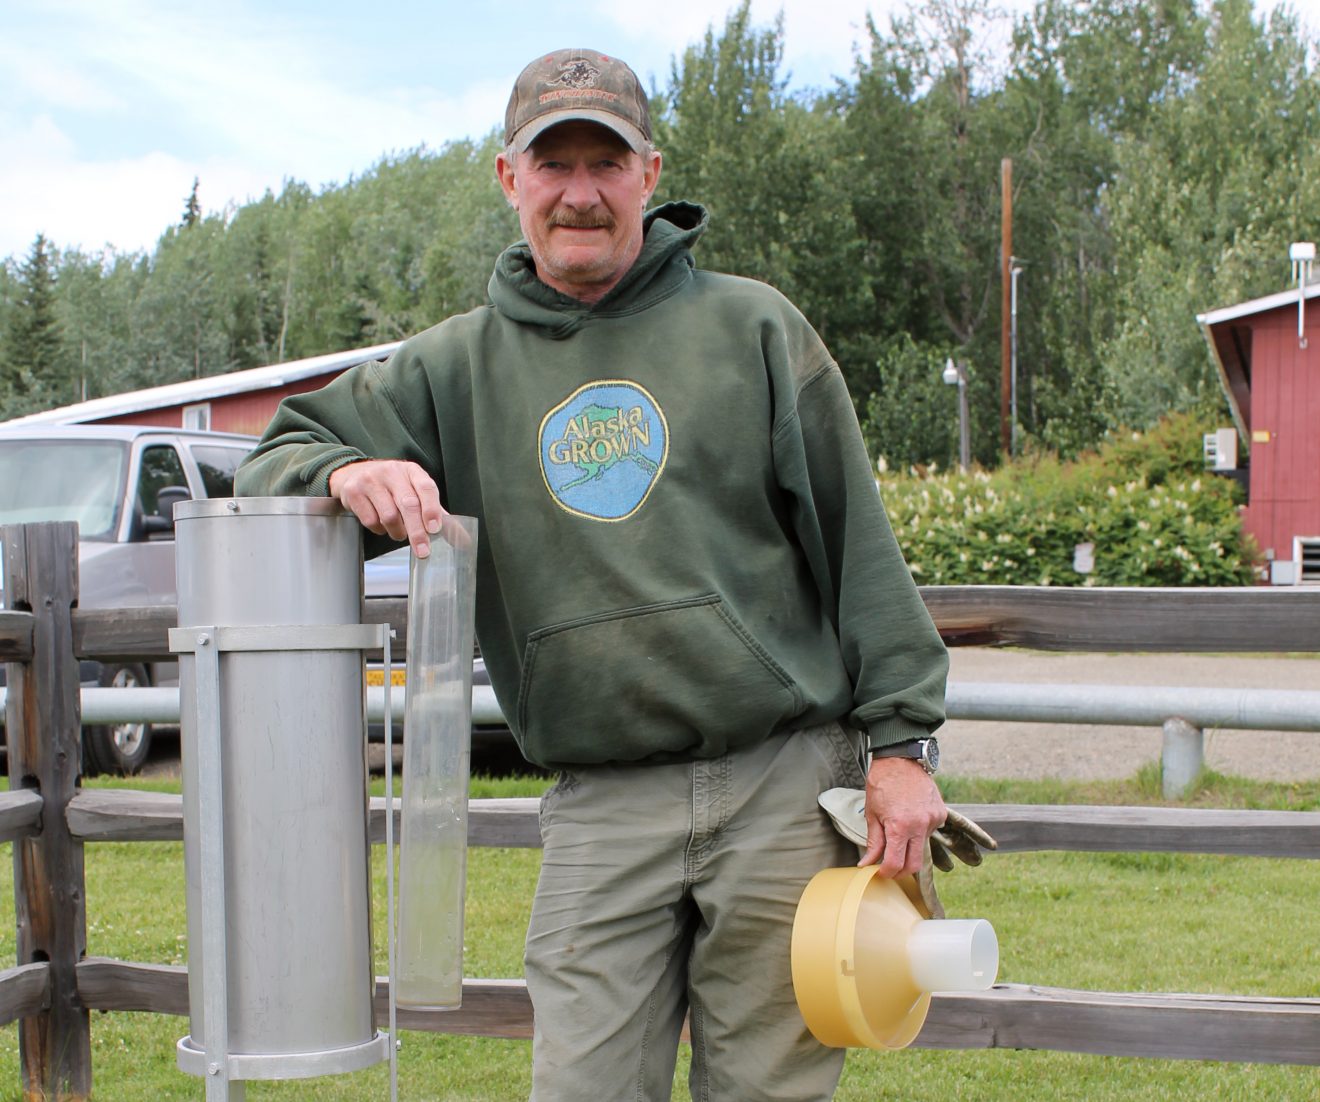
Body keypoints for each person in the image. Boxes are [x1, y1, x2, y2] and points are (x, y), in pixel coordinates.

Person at [236, 47, 949, 1102]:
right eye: (553, 163)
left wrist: (901, 744)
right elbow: (271, 459)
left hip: (781, 783)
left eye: (605, 163)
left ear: (648, 176)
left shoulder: (755, 328)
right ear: (507, 179)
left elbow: (859, 546)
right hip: (600, 800)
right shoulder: (450, 367)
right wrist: (350, 468)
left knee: (771, 1090)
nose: (580, 192)